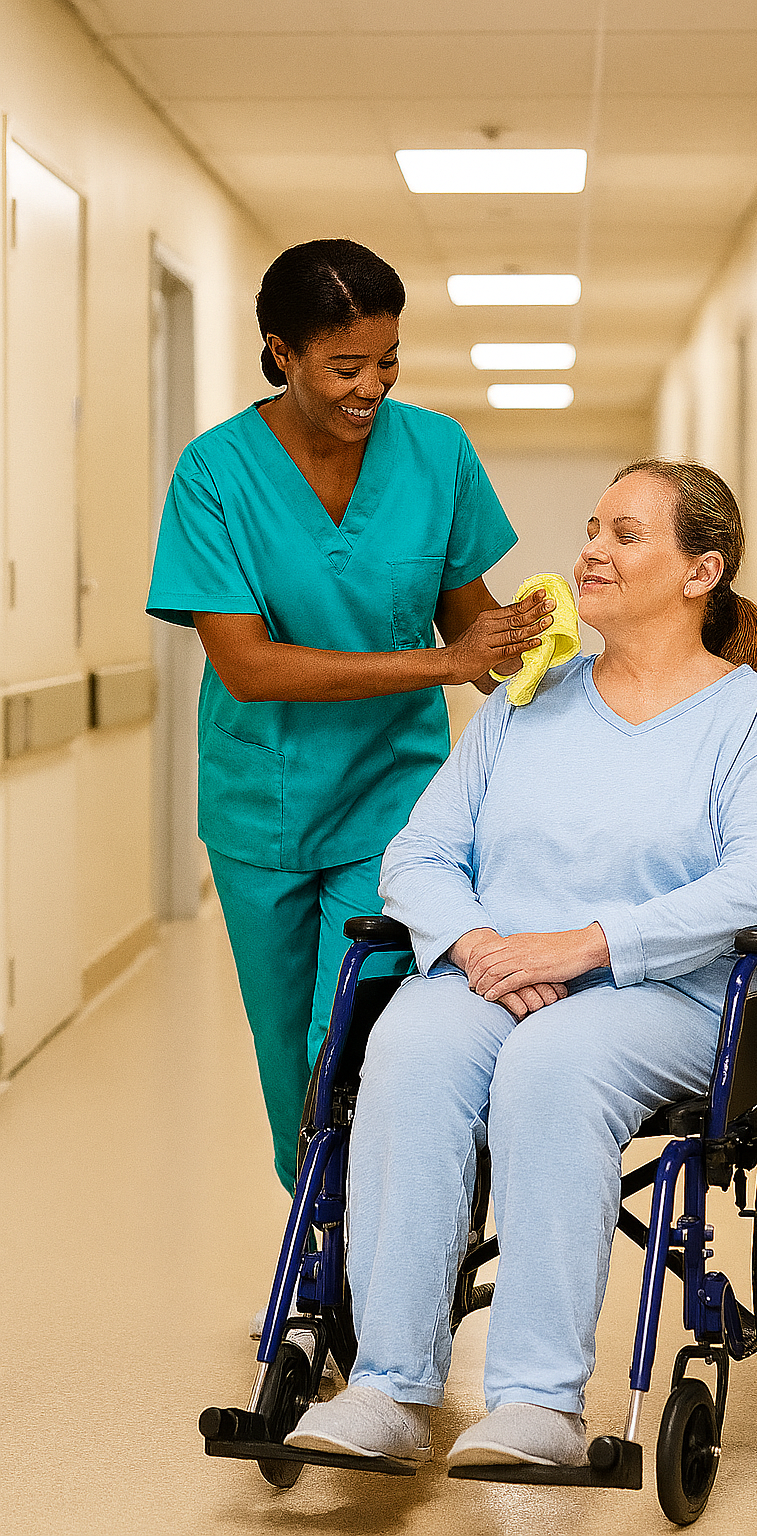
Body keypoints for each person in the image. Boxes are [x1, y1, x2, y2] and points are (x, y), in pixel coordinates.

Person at [284, 458, 757, 1470]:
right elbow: (419, 853)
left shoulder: (748, 716)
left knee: (554, 1063)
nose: (591, 550)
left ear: (699, 572)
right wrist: (482, 946)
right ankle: (389, 1387)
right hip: (496, 976)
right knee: (409, 1048)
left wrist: (585, 947)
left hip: (661, 991)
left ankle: (537, 1402)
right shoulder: (527, 703)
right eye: (591, 528)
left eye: (626, 535)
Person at [146, 238, 553, 1195]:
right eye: (344, 365)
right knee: (290, 1052)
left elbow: (467, 621)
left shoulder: (435, 452)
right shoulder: (216, 473)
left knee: (361, 1035)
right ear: (281, 352)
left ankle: (383, 1254)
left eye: (388, 360)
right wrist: (445, 662)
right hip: (264, 804)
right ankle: (315, 1244)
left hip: (395, 796)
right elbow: (245, 665)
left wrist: (543, 667)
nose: (371, 385)